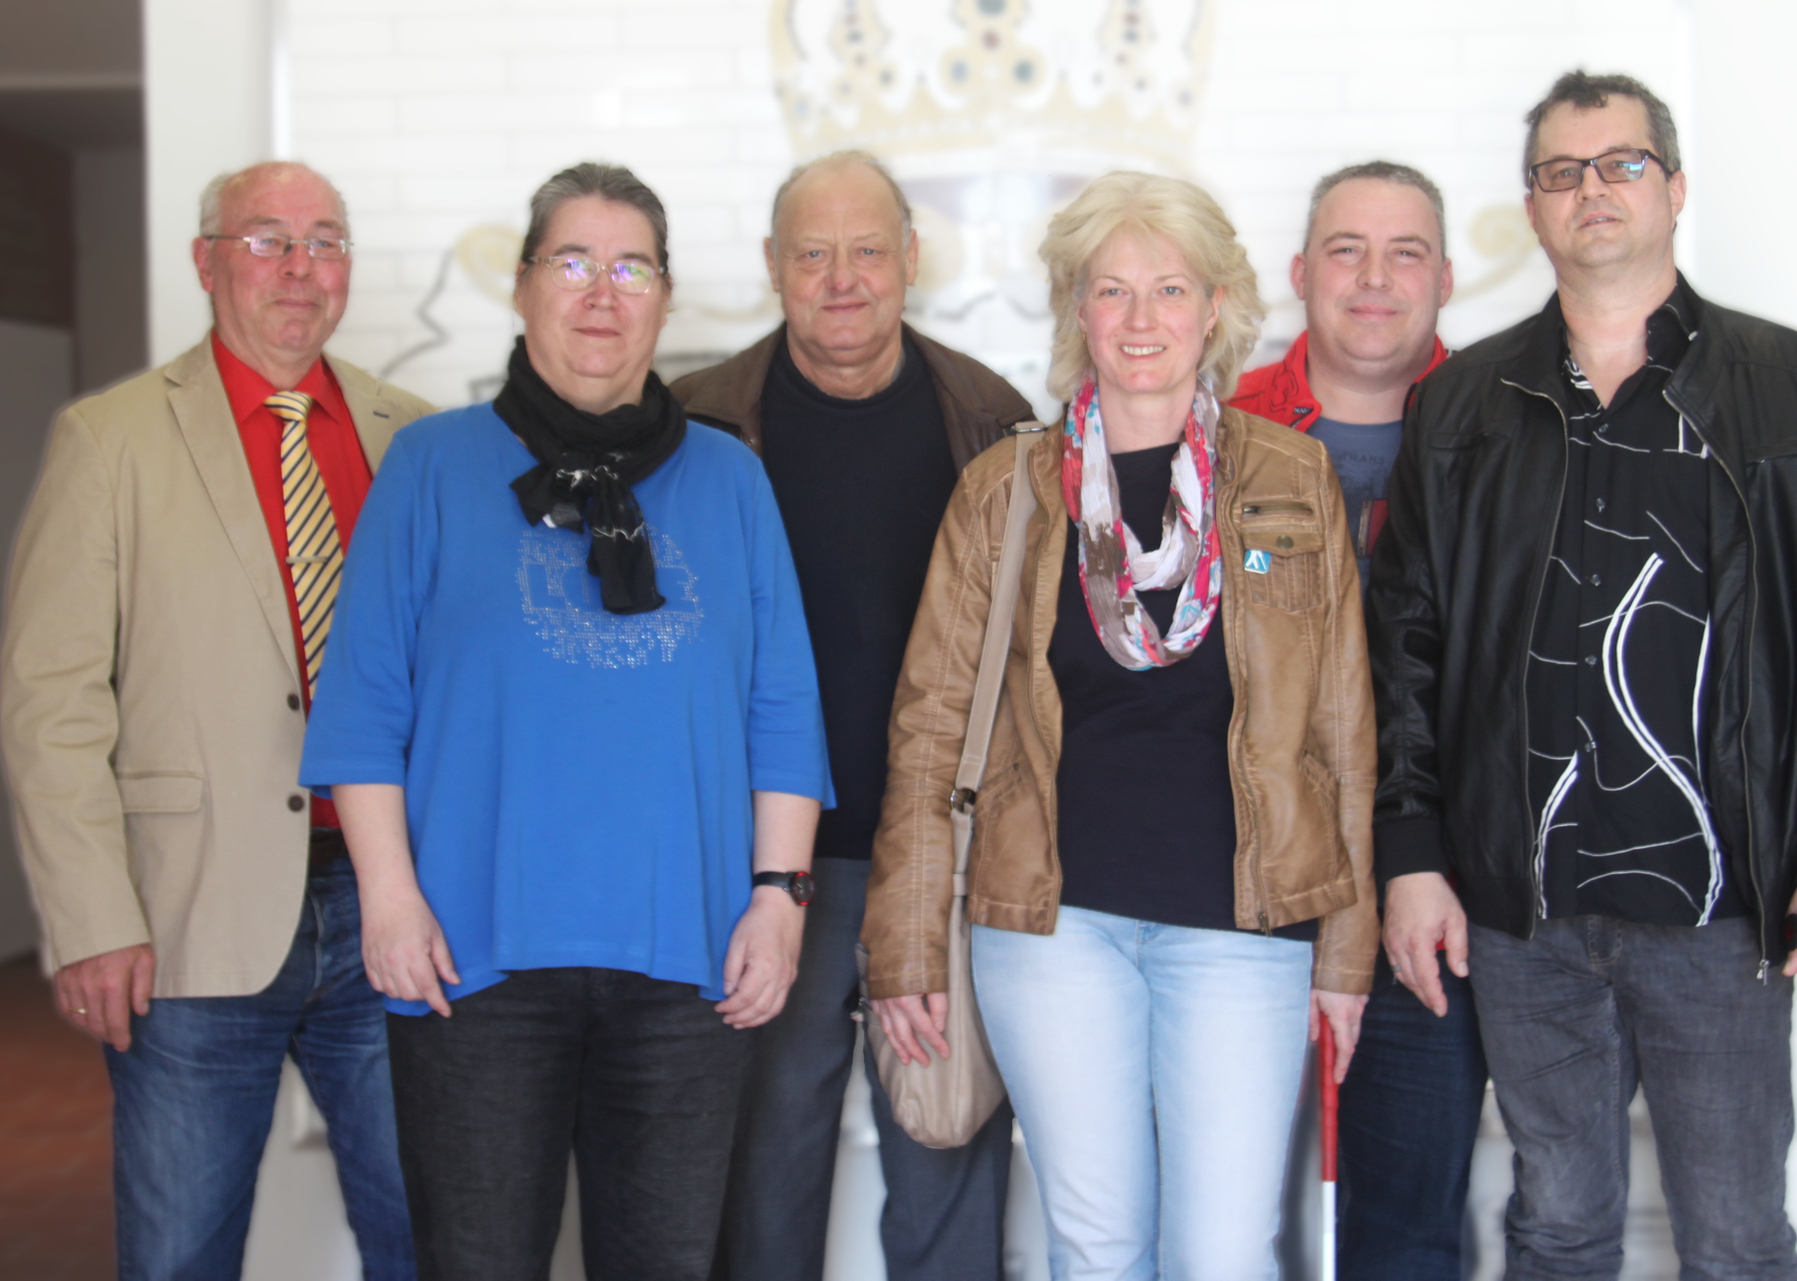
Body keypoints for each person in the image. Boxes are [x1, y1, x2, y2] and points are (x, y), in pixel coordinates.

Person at [1371, 71, 1797, 1280]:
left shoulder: (1796, 390)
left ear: (1673, 187)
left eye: (1621, 163)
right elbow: (1407, 646)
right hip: (1524, 908)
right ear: (1533, 208)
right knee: (1556, 1226)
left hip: (1725, 906)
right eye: (1562, 172)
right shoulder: (1461, 407)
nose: (1593, 190)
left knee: (1736, 1238)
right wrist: (1411, 853)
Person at [297, 161, 833, 1280]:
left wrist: (779, 901)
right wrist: (388, 900)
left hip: (689, 961)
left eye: (631, 268)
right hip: (469, 958)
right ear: (524, 284)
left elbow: (782, 707)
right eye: (574, 262)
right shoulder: (430, 466)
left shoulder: (731, 481)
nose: (602, 292)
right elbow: (363, 706)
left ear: (665, 297)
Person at [864, 170, 1378, 1280]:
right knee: (1096, 1249)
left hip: (1243, 930)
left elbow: (1342, 737)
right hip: (1053, 931)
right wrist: (905, 944)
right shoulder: (1004, 490)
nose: (1142, 318)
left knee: (1226, 1254)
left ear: (1216, 307)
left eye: (1171, 289)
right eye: (1113, 290)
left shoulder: (1292, 477)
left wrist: (1347, 947)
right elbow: (931, 728)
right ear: (1078, 309)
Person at [0, 161, 432, 1280]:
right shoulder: (111, 440)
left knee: (430, 1237)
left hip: (391, 904)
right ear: (206, 262)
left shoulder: (415, 438)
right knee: (179, 1252)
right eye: (266, 240)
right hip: (187, 916)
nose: (299, 268)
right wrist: (90, 916)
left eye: (324, 242)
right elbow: (51, 701)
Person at [672, 150, 1031, 1281]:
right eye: (814, 254)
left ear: (911, 259)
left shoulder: (992, 419)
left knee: (947, 1155)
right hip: (764, 872)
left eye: (868, 250)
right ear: (772, 266)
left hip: (942, 864)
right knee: (762, 1174)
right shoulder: (695, 425)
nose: (843, 278)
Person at [1229, 161, 1485, 1281]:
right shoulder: (1219, 424)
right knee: (1216, 1212)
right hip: (1239, 884)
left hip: (1436, 886)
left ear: (1446, 278)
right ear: (1300, 272)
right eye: (1347, 250)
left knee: (1407, 1226)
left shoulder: (1505, 430)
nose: (1374, 278)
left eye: (1405, 253)